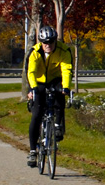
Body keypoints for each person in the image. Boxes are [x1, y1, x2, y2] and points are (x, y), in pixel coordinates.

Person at [25, 25, 72, 167]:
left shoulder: (63, 50)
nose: (48, 45)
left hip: (55, 79)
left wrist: (66, 87)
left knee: (60, 96)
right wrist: (32, 89)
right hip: (38, 82)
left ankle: (57, 125)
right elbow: (31, 72)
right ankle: (33, 151)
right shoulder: (34, 52)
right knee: (37, 114)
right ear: (41, 42)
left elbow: (66, 69)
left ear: (55, 41)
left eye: (51, 42)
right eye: (45, 43)